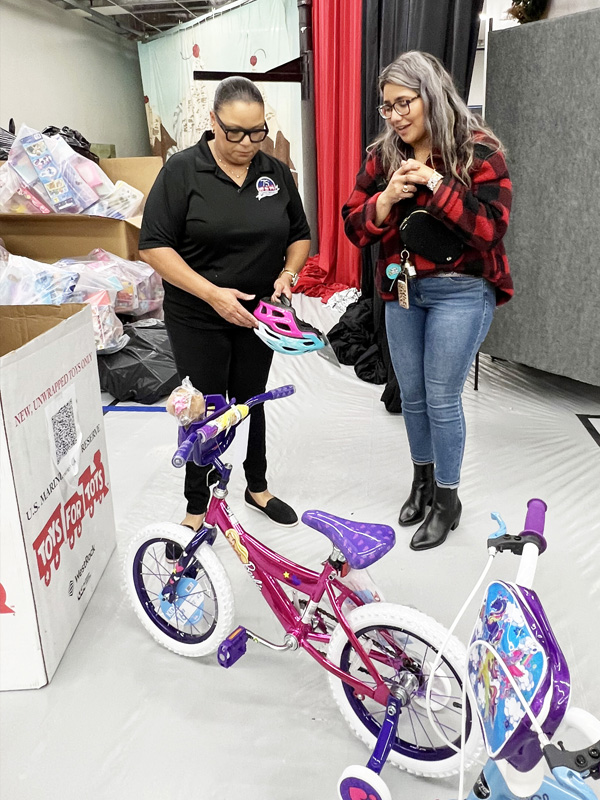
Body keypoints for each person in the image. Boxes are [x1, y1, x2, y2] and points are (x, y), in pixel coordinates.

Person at [343, 51, 513, 552]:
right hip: (403, 290)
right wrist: (387, 197)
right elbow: (355, 228)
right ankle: (421, 480)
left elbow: (489, 230)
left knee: (441, 397)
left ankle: (447, 498)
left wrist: (436, 184)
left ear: (431, 95)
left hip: (462, 289)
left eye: (403, 103)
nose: (394, 116)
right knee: (411, 395)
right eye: (386, 107)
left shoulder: (479, 152)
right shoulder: (383, 157)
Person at [139, 76, 311, 532]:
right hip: (198, 314)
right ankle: (198, 503)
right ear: (213, 122)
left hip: (260, 316)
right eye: (235, 132)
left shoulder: (273, 171)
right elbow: (154, 246)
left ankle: (257, 485)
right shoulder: (181, 171)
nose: (247, 143)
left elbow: (299, 235)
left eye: (258, 132)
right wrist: (212, 294)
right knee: (204, 406)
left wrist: (287, 275)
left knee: (253, 398)